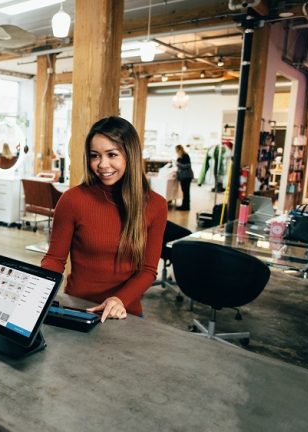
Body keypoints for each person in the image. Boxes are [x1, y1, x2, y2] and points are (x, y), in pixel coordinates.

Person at [41, 117, 167, 321]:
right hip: (78, 309)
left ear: (130, 155)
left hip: (125, 313)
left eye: (112, 154)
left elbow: (148, 270)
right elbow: (55, 260)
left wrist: (119, 300)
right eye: (95, 156)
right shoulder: (73, 200)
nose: (102, 164)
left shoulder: (155, 205)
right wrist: (38, 289)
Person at [175, 145, 194, 210]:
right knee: (184, 191)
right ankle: (184, 205)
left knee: (186, 192)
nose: (176, 152)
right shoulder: (179, 157)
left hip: (187, 177)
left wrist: (178, 164)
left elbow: (187, 166)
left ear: (180, 150)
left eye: (177, 150)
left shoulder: (186, 156)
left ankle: (186, 206)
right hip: (183, 177)